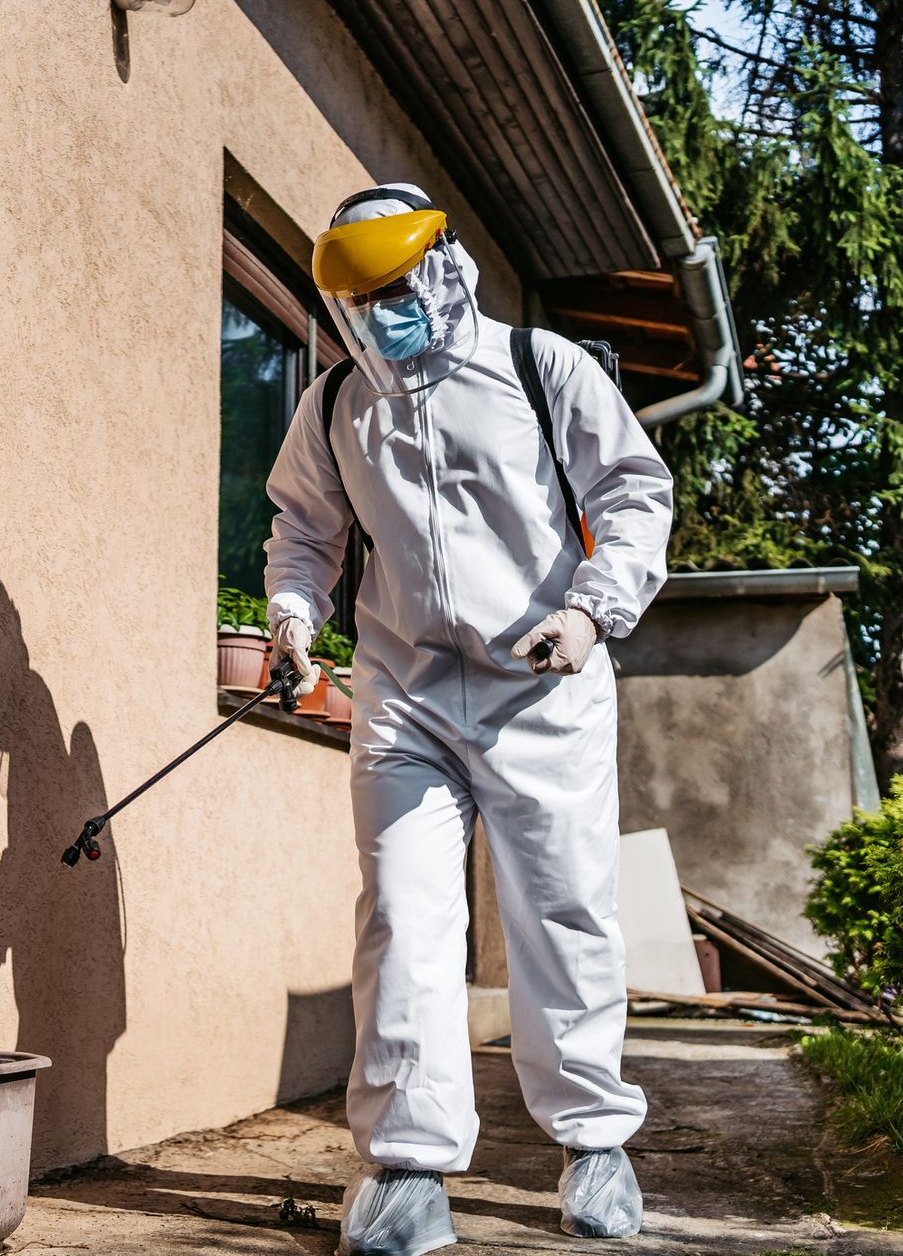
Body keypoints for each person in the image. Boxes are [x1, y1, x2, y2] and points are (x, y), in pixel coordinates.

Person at [262, 183, 673, 1249]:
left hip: (544, 681)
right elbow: (303, 528)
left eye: (396, 290)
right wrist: (294, 615)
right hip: (405, 696)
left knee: (565, 912)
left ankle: (593, 1147)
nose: (381, 313)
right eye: (362, 298)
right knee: (403, 914)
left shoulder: (542, 367)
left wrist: (591, 613)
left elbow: (633, 491)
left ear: (441, 269)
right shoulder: (337, 404)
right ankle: (407, 1169)